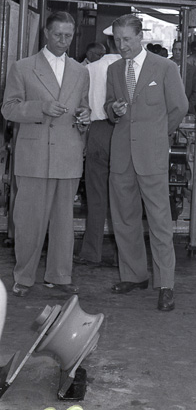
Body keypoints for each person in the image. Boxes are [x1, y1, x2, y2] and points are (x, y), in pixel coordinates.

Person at [2, 11, 90, 297]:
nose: (63, 40)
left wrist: (84, 116)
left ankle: (59, 276)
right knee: (29, 222)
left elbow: (83, 106)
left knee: (64, 223)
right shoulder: (23, 67)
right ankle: (24, 277)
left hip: (68, 154)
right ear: (46, 33)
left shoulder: (81, 71)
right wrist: (40, 107)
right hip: (34, 155)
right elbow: (8, 108)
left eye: (69, 35)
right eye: (58, 34)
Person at [105, 14, 188, 312]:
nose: (122, 45)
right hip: (121, 155)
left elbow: (179, 107)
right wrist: (113, 109)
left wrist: (156, 135)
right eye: (117, 40)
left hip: (151, 155)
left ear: (141, 36)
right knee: (124, 218)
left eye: (127, 39)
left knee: (159, 221)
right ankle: (133, 275)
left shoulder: (165, 67)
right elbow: (108, 106)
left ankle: (166, 284)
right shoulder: (114, 69)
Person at [74, 33, 121, 267]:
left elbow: (81, 104)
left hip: (98, 132)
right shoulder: (130, 68)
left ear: (107, 44)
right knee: (124, 198)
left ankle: (91, 252)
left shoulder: (90, 69)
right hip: (123, 133)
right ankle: (124, 255)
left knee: (95, 196)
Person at [171, 39, 196, 113]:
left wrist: (187, 106)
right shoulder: (164, 66)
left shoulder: (193, 70)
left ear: (186, 52)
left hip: (186, 110)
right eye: (175, 49)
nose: (177, 52)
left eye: (180, 50)